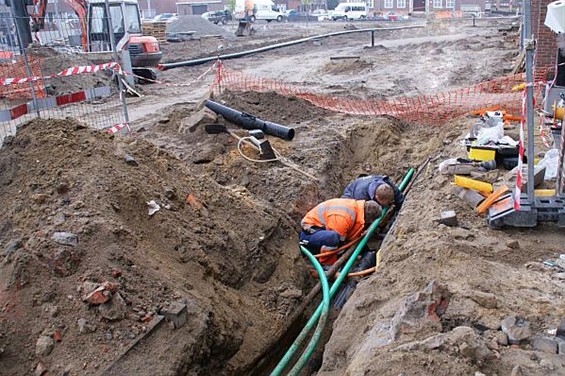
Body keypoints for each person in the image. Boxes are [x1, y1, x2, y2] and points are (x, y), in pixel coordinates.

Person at [299, 198, 382, 264]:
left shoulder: (356, 208)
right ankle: (326, 264)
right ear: (368, 218)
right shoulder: (344, 217)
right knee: (333, 238)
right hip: (309, 233)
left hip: (321, 230)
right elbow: (339, 242)